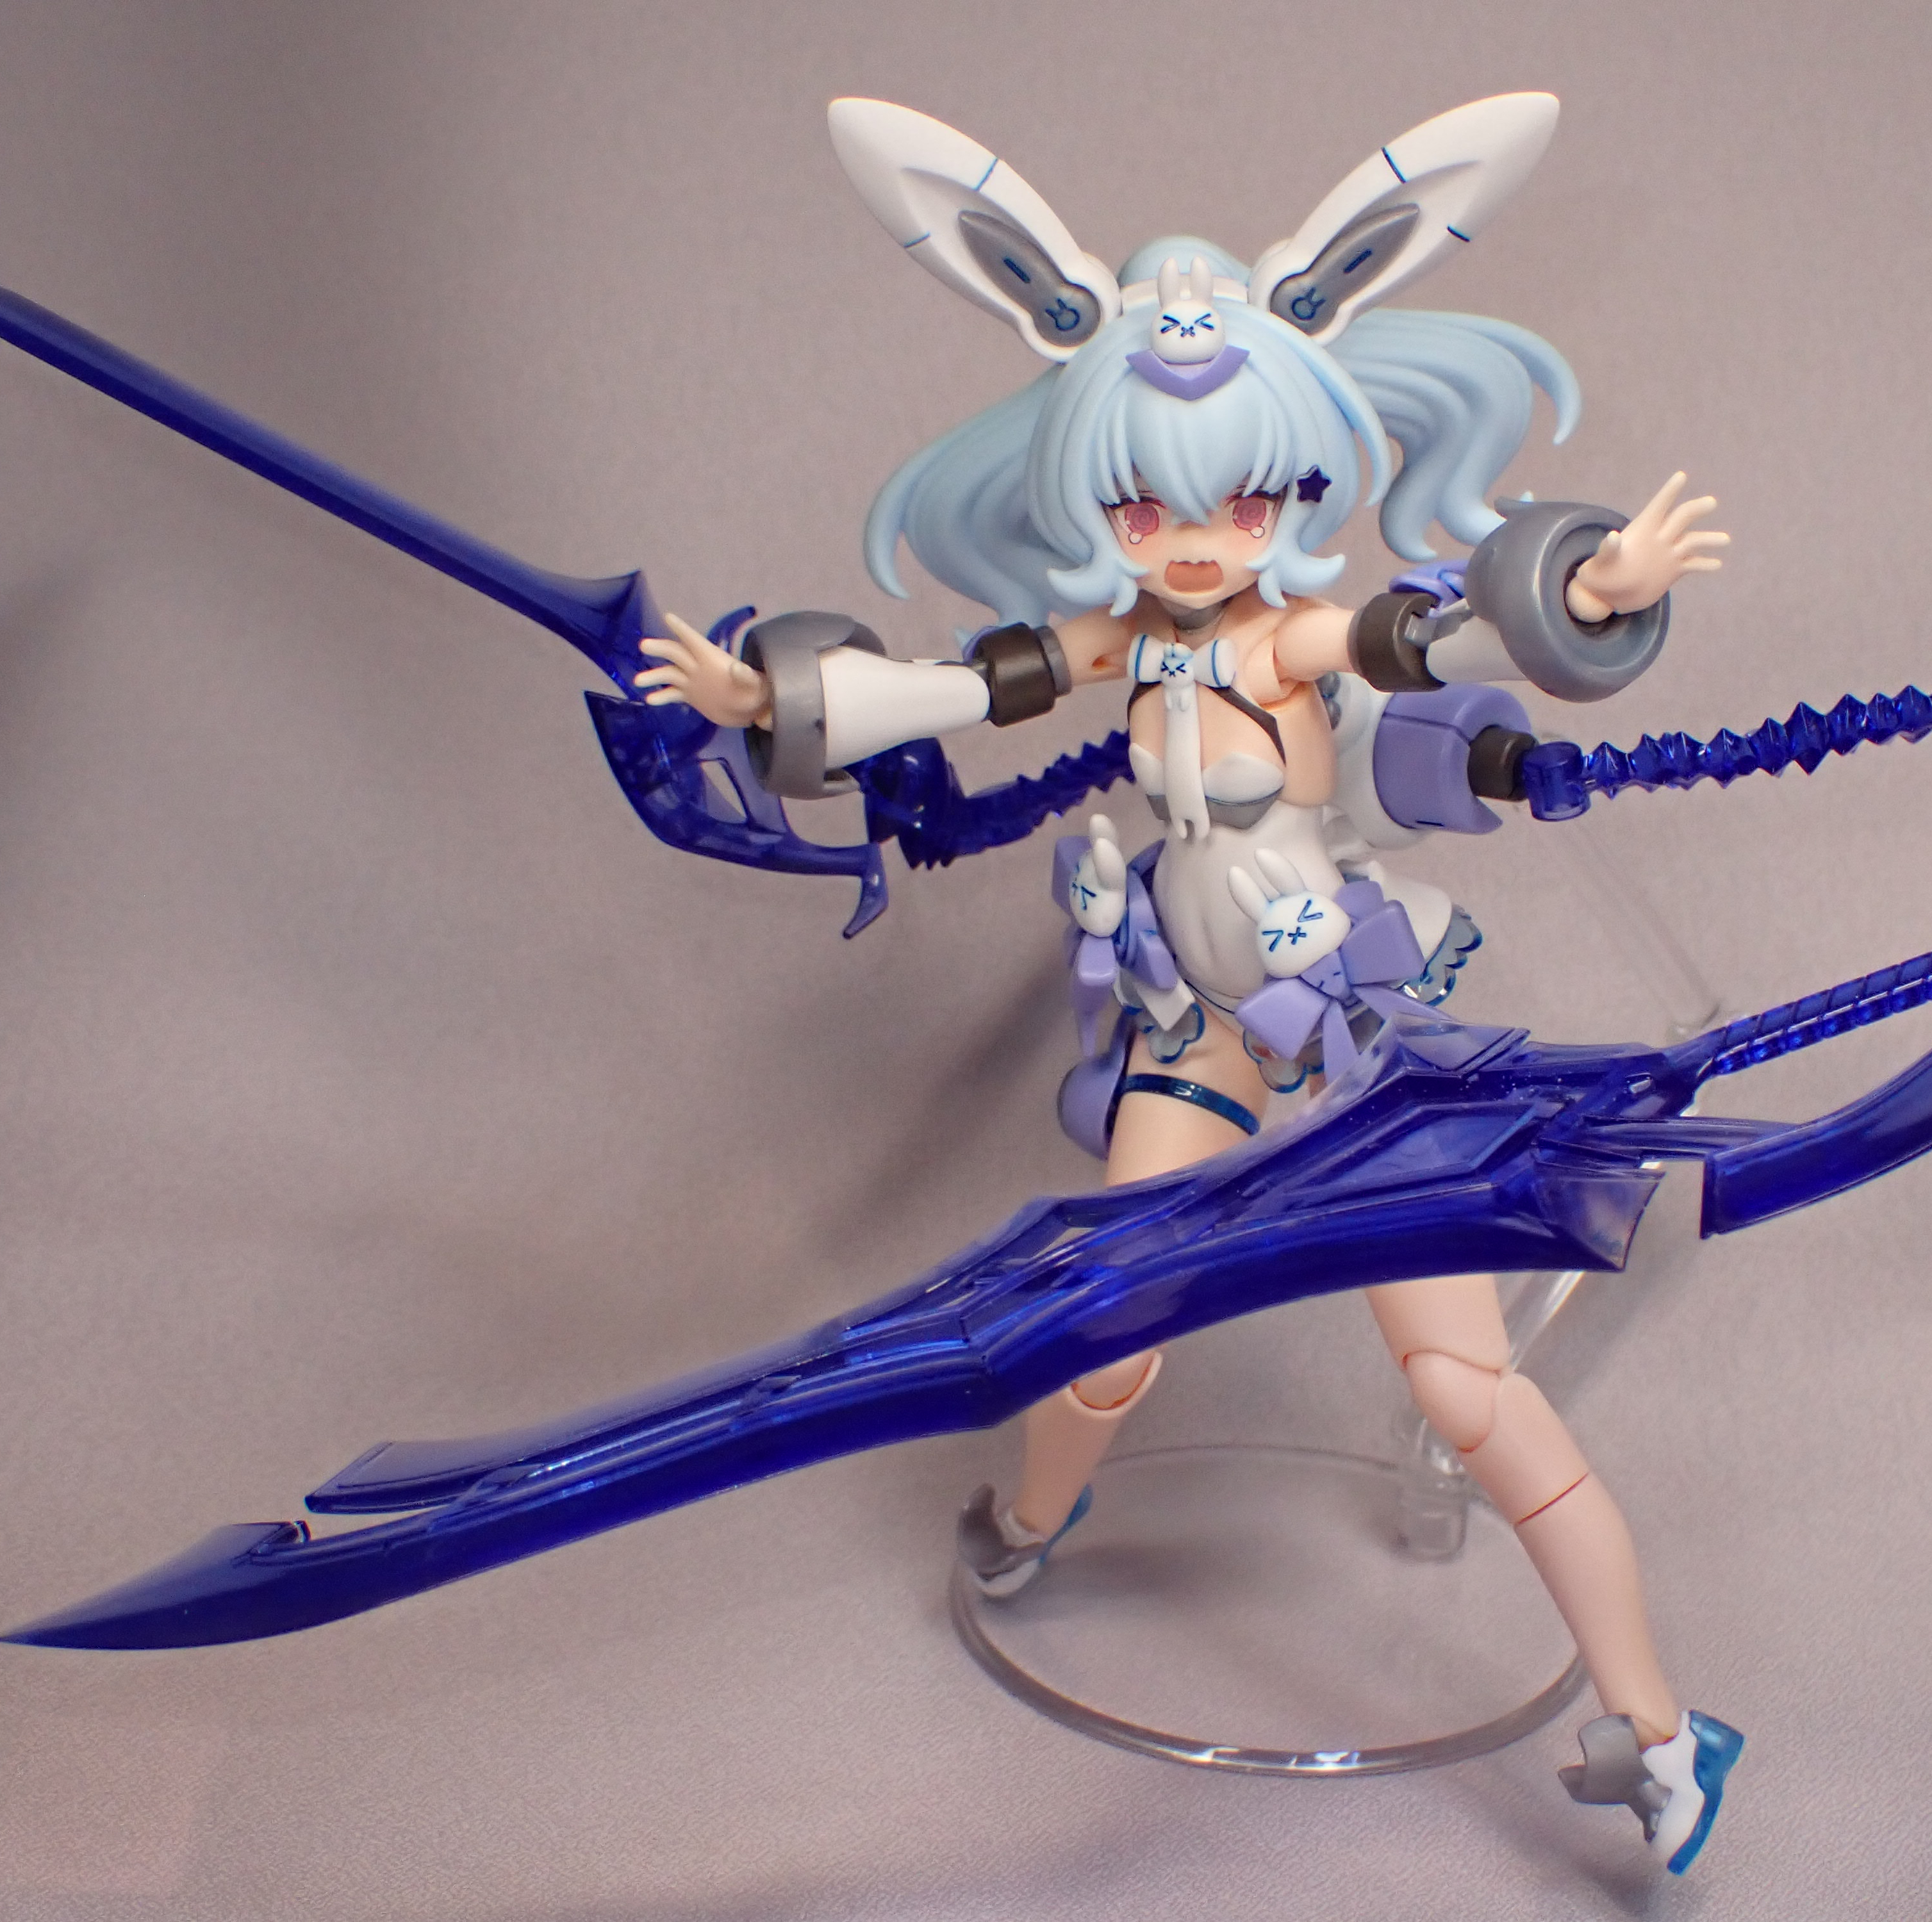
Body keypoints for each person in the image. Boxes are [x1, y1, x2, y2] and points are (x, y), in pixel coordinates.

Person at [636, 94, 1742, 1873]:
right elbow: (946, 690)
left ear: (1300, 482)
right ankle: (1026, 1525)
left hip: (1349, 1033)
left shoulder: (1297, 634)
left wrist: (1592, 587)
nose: (1203, 535)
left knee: (1466, 1394)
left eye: (1247, 493)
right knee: (1103, 1336)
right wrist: (774, 704)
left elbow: (1429, 632)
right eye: (1151, 503)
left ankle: (1664, 1732)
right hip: (1197, 1026)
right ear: (1099, 503)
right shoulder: (1113, 642)